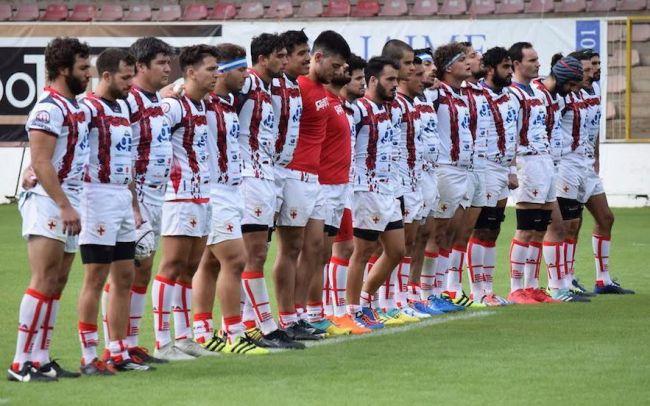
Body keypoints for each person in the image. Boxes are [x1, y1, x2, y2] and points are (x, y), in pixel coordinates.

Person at [9, 37, 90, 382]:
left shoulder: (75, 106)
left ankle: (41, 358)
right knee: (43, 280)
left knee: (57, 282)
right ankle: (19, 363)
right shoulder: (48, 108)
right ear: (62, 70)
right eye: (83, 68)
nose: (89, 75)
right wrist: (64, 204)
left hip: (68, 200)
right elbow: (42, 162)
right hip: (49, 202)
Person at [77, 48, 152, 373]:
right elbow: (70, 149)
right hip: (96, 197)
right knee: (95, 278)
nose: (130, 83)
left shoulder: (122, 107)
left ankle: (117, 350)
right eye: (125, 77)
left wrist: (134, 204)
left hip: (122, 198)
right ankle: (89, 355)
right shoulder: (87, 109)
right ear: (105, 76)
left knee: (124, 275)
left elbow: (129, 160)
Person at [191, 43, 269, 355]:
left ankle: (201, 330)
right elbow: (170, 95)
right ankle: (234, 334)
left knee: (211, 262)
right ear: (221, 71)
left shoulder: (226, 102)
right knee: (236, 259)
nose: (245, 75)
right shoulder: (200, 101)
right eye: (239, 69)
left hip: (232, 189)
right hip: (212, 190)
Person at [100, 36, 174, 365]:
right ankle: (113, 345)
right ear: (141, 66)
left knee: (141, 272)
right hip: (136, 194)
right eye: (161, 63)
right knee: (124, 273)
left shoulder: (157, 100)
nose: (168, 69)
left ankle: (130, 343)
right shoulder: (128, 101)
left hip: (157, 194)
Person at [237, 33, 303, 349]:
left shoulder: (265, 88)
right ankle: (259, 325)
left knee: (256, 253)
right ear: (263, 59)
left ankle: (254, 322)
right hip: (247, 177)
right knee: (254, 254)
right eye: (279, 56)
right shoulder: (249, 83)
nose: (285, 61)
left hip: (265, 176)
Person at [152, 45, 218, 359]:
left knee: (190, 268)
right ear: (190, 72)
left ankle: (184, 337)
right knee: (171, 266)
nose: (216, 75)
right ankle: (162, 342)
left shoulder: (201, 106)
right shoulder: (172, 107)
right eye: (210, 69)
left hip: (201, 195)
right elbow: (150, 136)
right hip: (178, 196)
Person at [506, 43, 580, 304]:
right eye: (532, 60)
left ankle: (533, 285)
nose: (538, 64)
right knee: (525, 228)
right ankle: (516, 288)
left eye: (538, 59)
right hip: (528, 163)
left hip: (546, 162)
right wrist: (511, 168)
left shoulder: (538, 91)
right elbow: (510, 133)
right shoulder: (512, 94)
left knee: (539, 229)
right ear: (516, 64)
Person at [291, 30, 352, 336]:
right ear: (318, 57)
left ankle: (304, 313)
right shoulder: (300, 88)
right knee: (297, 251)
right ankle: (296, 313)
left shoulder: (323, 93)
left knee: (317, 251)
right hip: (305, 179)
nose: (340, 71)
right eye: (336, 65)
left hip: (319, 181)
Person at [269, 30, 322, 340]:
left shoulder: (294, 87)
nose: (306, 58)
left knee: (308, 246)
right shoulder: (272, 86)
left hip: (305, 176)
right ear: (284, 57)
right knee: (288, 249)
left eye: (307, 51)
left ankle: (297, 313)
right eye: (301, 52)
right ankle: (285, 316)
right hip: (286, 173)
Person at [345, 56, 404, 330]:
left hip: (387, 188)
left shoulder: (387, 110)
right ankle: (353, 309)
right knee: (362, 251)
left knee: (396, 250)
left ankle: (367, 299)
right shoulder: (358, 110)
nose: (395, 85)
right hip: (365, 189)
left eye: (396, 79)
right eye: (390, 79)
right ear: (372, 80)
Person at [574, 50, 633, 294]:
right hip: (569, 165)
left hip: (588, 165)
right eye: (591, 66)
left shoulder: (596, 90)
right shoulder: (569, 93)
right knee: (570, 224)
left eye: (598, 64)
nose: (597, 69)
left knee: (606, 217)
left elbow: (594, 128)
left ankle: (603, 280)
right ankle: (567, 277)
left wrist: (596, 156)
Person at [324, 54, 370, 332]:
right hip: (327, 184)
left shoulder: (348, 109)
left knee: (345, 247)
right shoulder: (330, 104)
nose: (362, 83)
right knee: (330, 249)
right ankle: (331, 310)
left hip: (345, 184)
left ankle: (337, 310)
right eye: (357, 78)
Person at [470, 46, 519, 305]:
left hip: (502, 168)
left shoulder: (510, 96)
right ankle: (477, 291)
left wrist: (512, 169)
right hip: (484, 167)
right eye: (505, 67)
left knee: (494, 229)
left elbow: (513, 132)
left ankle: (487, 289)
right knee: (481, 230)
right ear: (489, 69)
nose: (510, 72)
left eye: (511, 66)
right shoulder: (476, 95)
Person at [430, 43, 476, 307]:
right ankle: (427, 292)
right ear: (448, 67)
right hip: (445, 169)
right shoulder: (437, 94)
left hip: (464, 170)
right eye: (462, 60)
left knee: (451, 234)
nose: (468, 63)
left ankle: (444, 290)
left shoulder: (462, 95)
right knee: (437, 234)